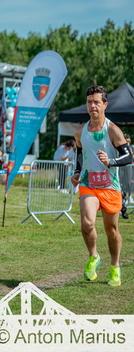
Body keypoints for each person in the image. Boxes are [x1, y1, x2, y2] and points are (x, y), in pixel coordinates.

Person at [72, 85, 132, 287]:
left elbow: (128, 156)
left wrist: (111, 161)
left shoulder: (112, 130)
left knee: (111, 230)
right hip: (88, 184)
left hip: (110, 186)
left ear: (105, 104)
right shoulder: (80, 132)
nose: (92, 106)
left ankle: (115, 267)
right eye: (89, 102)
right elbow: (80, 154)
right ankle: (94, 256)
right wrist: (77, 172)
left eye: (97, 102)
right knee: (87, 223)